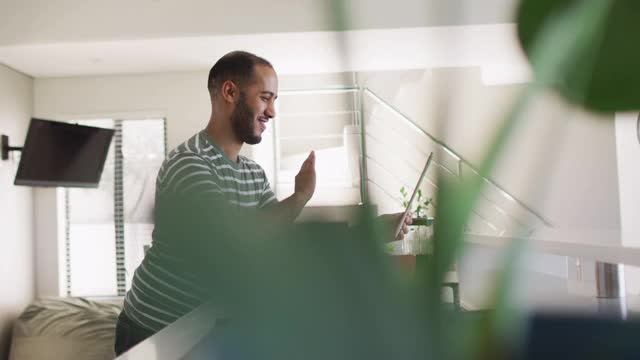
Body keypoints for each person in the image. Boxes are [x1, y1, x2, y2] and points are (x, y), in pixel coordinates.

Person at [114, 50, 411, 356]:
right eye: (265, 97)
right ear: (230, 92)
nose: (272, 112)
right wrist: (299, 197)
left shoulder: (253, 174)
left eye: (274, 101)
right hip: (155, 328)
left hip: (204, 324)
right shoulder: (191, 163)